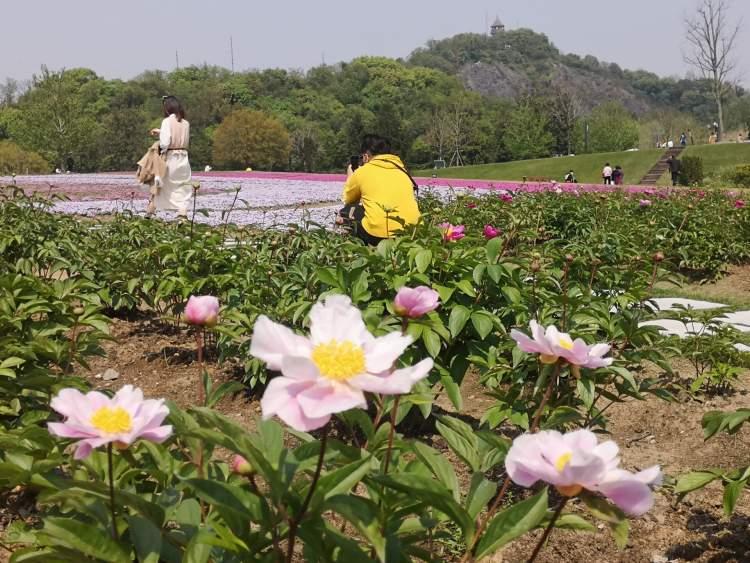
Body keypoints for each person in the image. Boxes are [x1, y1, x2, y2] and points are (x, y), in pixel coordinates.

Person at [340, 135, 421, 246]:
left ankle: (357, 249)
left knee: (347, 211)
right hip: (412, 232)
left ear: (365, 157)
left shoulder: (363, 172)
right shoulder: (402, 171)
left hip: (377, 234)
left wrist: (351, 177)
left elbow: (348, 200)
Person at [148, 96, 191, 217]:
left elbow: (165, 143)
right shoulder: (186, 123)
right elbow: (181, 138)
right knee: (182, 188)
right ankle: (182, 215)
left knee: (159, 185)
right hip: (183, 158)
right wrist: (161, 131)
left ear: (167, 108)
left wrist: (160, 142)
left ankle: (149, 213)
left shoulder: (167, 121)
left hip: (170, 158)